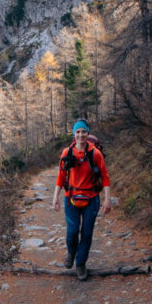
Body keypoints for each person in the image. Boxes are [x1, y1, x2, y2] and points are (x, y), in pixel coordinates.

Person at [51, 119, 111, 280]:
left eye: (84, 131)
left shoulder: (95, 154)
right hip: (71, 198)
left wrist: (107, 199)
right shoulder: (67, 153)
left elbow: (105, 177)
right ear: (74, 134)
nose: (81, 135)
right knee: (72, 232)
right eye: (78, 132)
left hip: (91, 199)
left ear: (88, 133)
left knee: (86, 233)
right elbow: (60, 176)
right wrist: (55, 197)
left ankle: (81, 264)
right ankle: (71, 253)